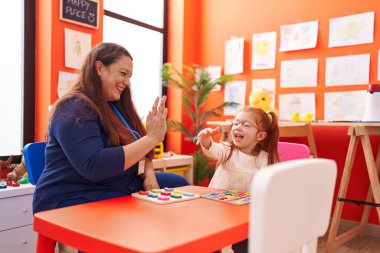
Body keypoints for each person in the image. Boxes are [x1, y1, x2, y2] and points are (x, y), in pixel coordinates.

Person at [33, 42, 168, 214]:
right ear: (99, 68)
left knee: (176, 182)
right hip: (74, 197)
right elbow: (94, 165)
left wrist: (149, 176)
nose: (127, 82)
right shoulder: (73, 107)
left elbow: (139, 151)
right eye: (123, 73)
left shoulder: (115, 107)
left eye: (130, 76)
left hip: (116, 188)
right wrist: (151, 139)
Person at [197, 107, 280, 253]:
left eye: (246, 125)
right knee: (211, 240)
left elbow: (273, 183)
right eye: (236, 123)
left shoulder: (264, 159)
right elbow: (213, 149)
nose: (238, 127)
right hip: (218, 207)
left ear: (260, 136)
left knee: (245, 243)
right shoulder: (227, 150)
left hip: (245, 214)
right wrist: (205, 139)